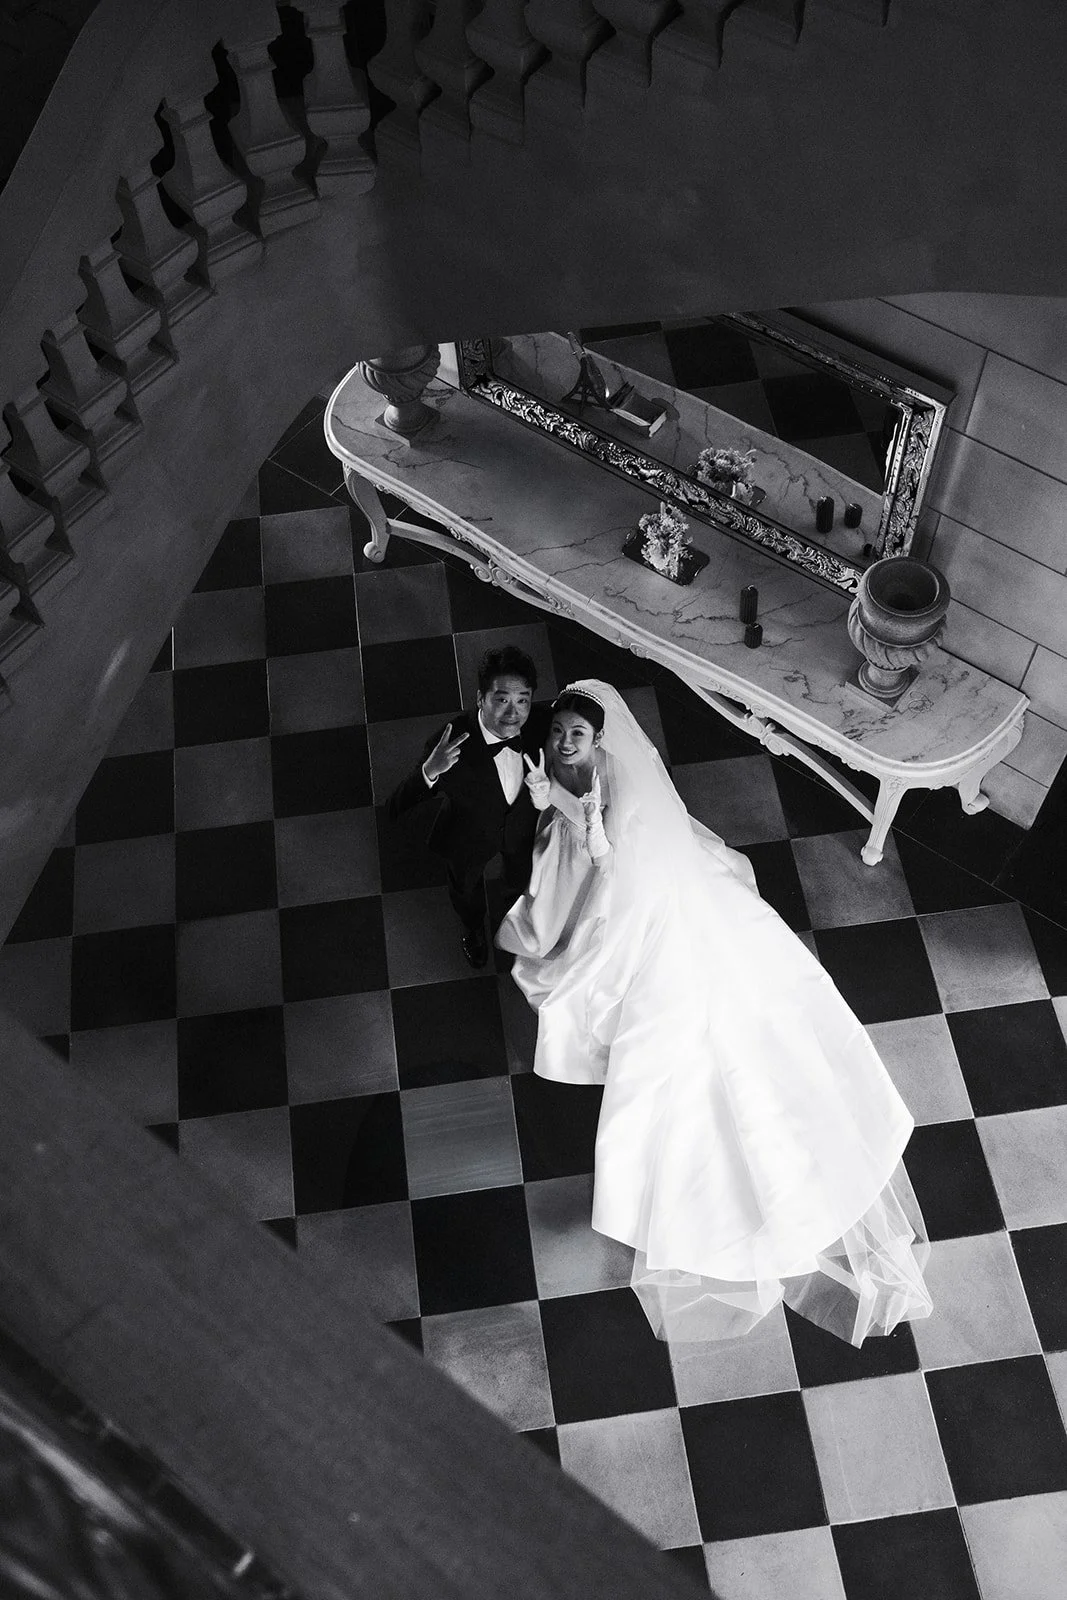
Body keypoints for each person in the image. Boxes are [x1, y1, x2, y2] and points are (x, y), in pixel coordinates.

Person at [496, 679, 933, 1346]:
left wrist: (563, 809)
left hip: (634, 890)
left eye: (572, 734)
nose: (560, 741)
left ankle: (742, 1209)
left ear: (595, 738)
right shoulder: (612, 771)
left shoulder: (606, 789)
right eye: (558, 732)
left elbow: (608, 854)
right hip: (663, 884)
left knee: (685, 1035)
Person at [387, 645, 549, 969]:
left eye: (522, 700)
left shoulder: (542, 724)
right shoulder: (449, 743)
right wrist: (430, 772)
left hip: (520, 831)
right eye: (501, 699)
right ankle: (473, 928)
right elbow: (397, 805)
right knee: (466, 889)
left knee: (521, 880)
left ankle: (517, 924)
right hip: (468, 837)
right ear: (480, 698)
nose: (512, 713)